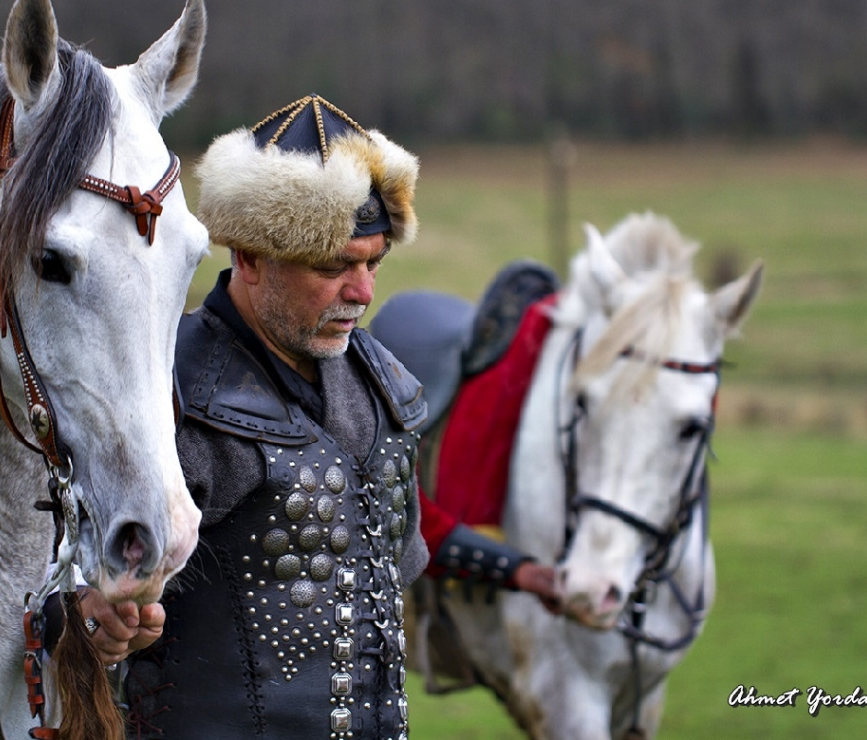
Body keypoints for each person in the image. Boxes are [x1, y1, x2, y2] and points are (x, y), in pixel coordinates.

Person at [76, 95, 557, 739]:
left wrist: (521, 571)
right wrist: (90, 624)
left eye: (373, 262)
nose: (361, 293)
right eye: (333, 267)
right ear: (247, 256)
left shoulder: (381, 387)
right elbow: (60, 587)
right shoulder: (165, 401)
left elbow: (411, 541)